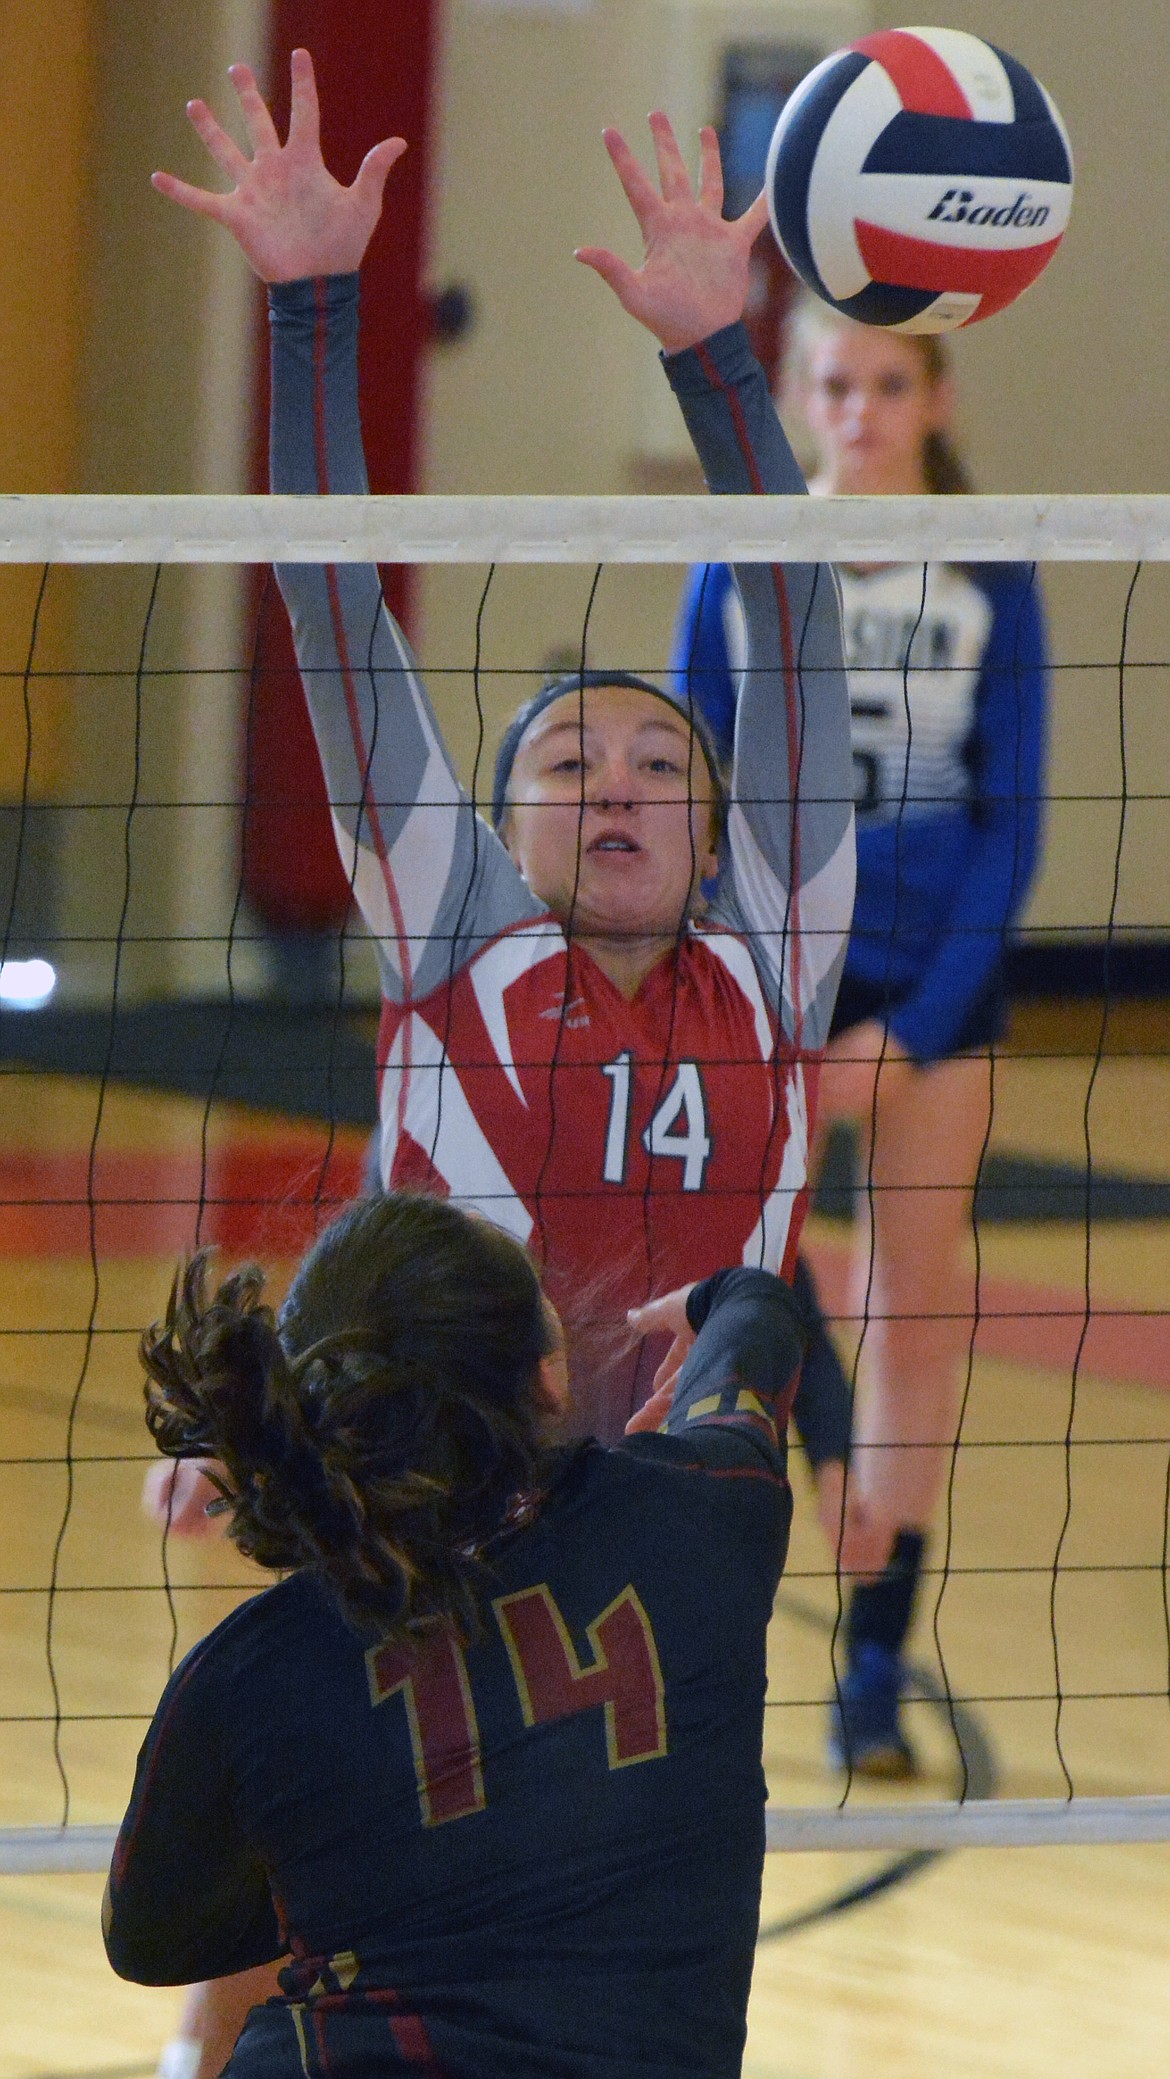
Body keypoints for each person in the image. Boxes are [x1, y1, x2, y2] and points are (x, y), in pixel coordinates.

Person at [146, 52, 860, 2073]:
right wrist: (308, 312)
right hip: (433, 1494)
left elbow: (795, 640)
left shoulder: (774, 948)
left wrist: (733, 372)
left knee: (596, 1948)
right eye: (569, 760)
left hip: (662, 1512)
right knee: (317, 1915)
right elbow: (329, 615)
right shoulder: (459, 930)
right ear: (508, 819)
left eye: (661, 763)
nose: (619, 785)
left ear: (716, 827)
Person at [107, 1190, 809, 2078]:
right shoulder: (704, 1514)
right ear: (550, 1381)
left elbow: (149, 1940)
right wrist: (726, 1298)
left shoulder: (253, 1670)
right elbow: (756, 1337)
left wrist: (365, 1868)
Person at [673, 294, 1049, 1775]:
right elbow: (687, 788)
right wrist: (751, 991)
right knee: (729, 1297)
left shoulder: (995, 567)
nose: (859, 407)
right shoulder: (742, 553)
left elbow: (1008, 823)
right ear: (791, 397)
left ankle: (874, 1668)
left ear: (934, 397)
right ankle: (701, 1652)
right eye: (831, 382)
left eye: (888, 381)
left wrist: (914, 1026)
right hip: (764, 978)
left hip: (934, 995)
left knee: (916, 1306)